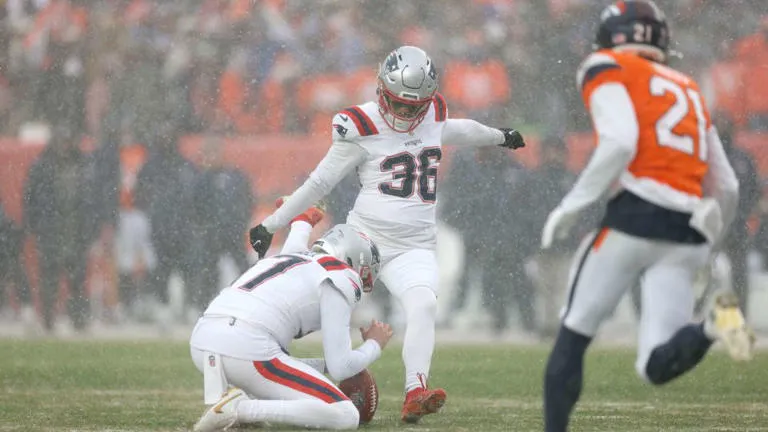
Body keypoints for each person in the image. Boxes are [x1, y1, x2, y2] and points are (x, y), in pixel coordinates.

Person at [248, 45, 526, 423]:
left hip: (414, 245)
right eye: (400, 104)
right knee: (310, 305)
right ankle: (258, 364)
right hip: (363, 241)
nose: (408, 114)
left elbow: (458, 129)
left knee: (424, 305)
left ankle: (415, 391)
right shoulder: (360, 124)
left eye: (416, 106)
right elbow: (319, 182)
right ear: (382, 90)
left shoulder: (432, 114)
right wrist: (272, 224)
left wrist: (499, 136)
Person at [539, 3, 754, 432]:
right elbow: (726, 185)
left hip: (634, 219)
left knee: (574, 335)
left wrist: (572, 205)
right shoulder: (689, 87)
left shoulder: (606, 64)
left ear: (611, 35)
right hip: (687, 232)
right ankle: (713, 326)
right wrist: (710, 243)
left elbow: (619, 142)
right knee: (655, 365)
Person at [190, 203, 390, 432]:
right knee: (345, 415)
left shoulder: (289, 258)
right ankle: (240, 409)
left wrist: (302, 220)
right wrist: (374, 344)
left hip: (204, 343)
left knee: (273, 365)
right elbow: (341, 367)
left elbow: (296, 238)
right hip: (246, 347)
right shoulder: (341, 275)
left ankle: (231, 401)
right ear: (356, 262)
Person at [23, 124, 100, 331]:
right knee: (49, 278)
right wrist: (35, 224)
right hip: (51, 230)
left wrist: (91, 227)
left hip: (75, 230)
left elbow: (91, 200)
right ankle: (48, 320)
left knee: (77, 280)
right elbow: (31, 197)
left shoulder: (83, 165)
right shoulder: (43, 165)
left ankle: (79, 319)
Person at [189, 136, 253, 310]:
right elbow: (195, 205)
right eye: (209, 153)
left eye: (215, 152)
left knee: (244, 269)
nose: (213, 157)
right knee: (208, 270)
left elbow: (246, 200)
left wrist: (240, 222)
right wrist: (203, 226)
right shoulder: (201, 179)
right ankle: (205, 306)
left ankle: (252, 301)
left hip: (233, 231)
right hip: (211, 233)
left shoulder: (236, 176)